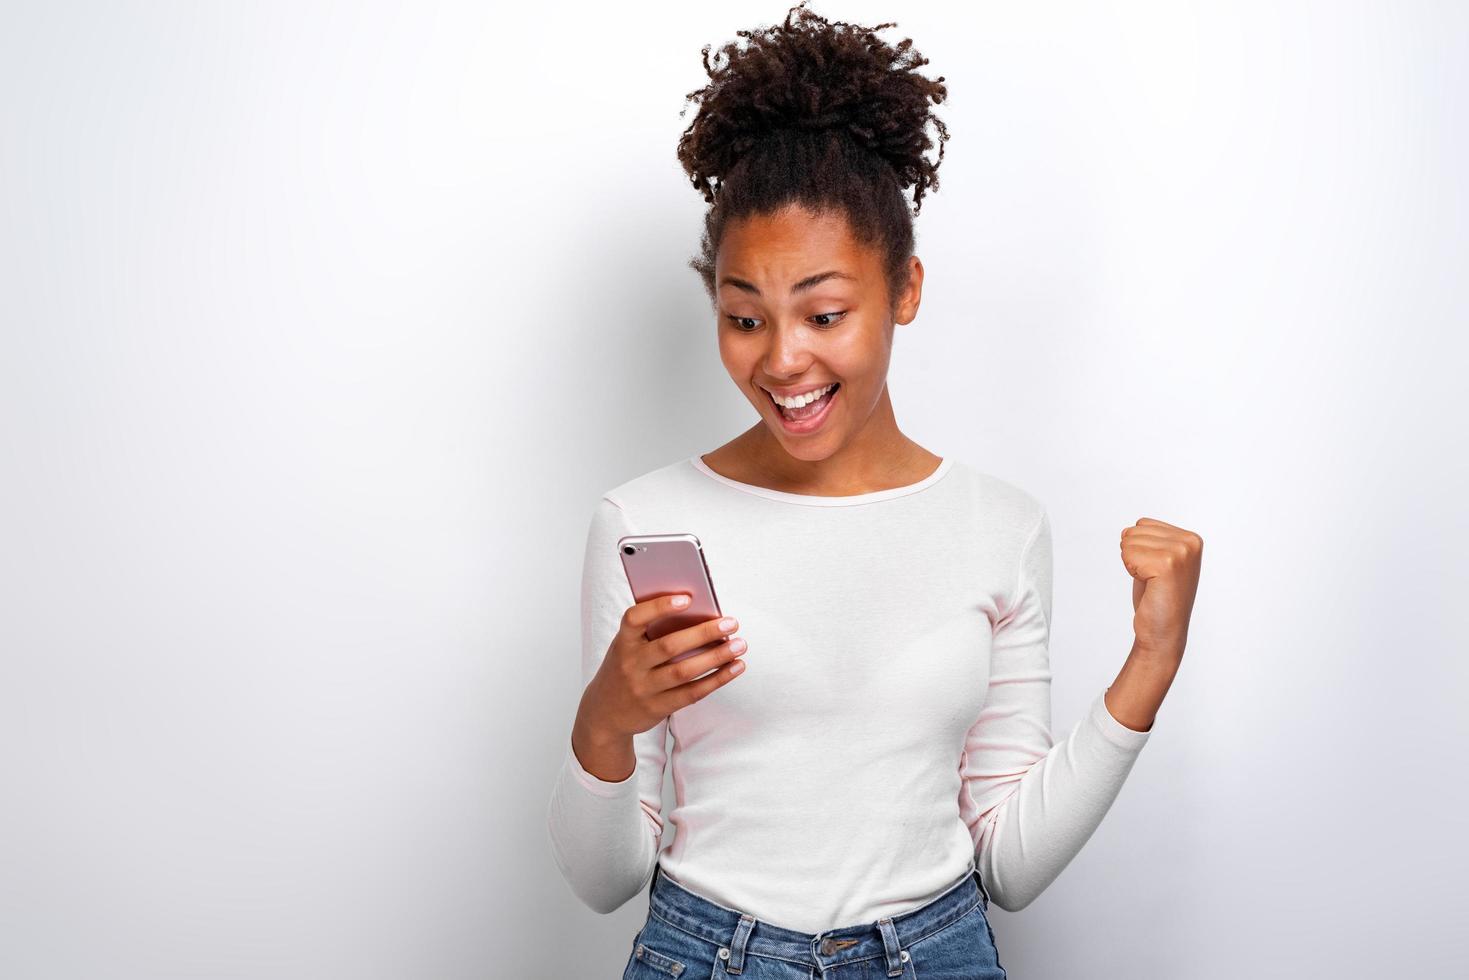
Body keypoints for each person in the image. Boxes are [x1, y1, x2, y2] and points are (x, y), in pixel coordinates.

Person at [545, 3, 1203, 976]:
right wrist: (604, 714)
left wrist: (1147, 665)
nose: (781, 358)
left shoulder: (999, 526)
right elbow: (604, 878)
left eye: (823, 311)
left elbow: (1007, 865)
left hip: (936, 952)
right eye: (742, 315)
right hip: (706, 950)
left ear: (903, 290)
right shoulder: (644, 521)